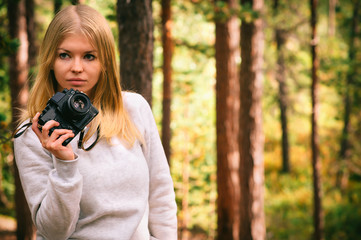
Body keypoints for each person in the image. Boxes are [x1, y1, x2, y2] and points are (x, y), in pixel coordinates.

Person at [13, 4, 177, 240]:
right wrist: (64, 164)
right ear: (50, 59)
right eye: (65, 55)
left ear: (105, 62)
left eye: (89, 56)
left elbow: (161, 196)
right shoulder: (35, 133)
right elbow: (54, 232)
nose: (77, 68)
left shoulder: (134, 109)